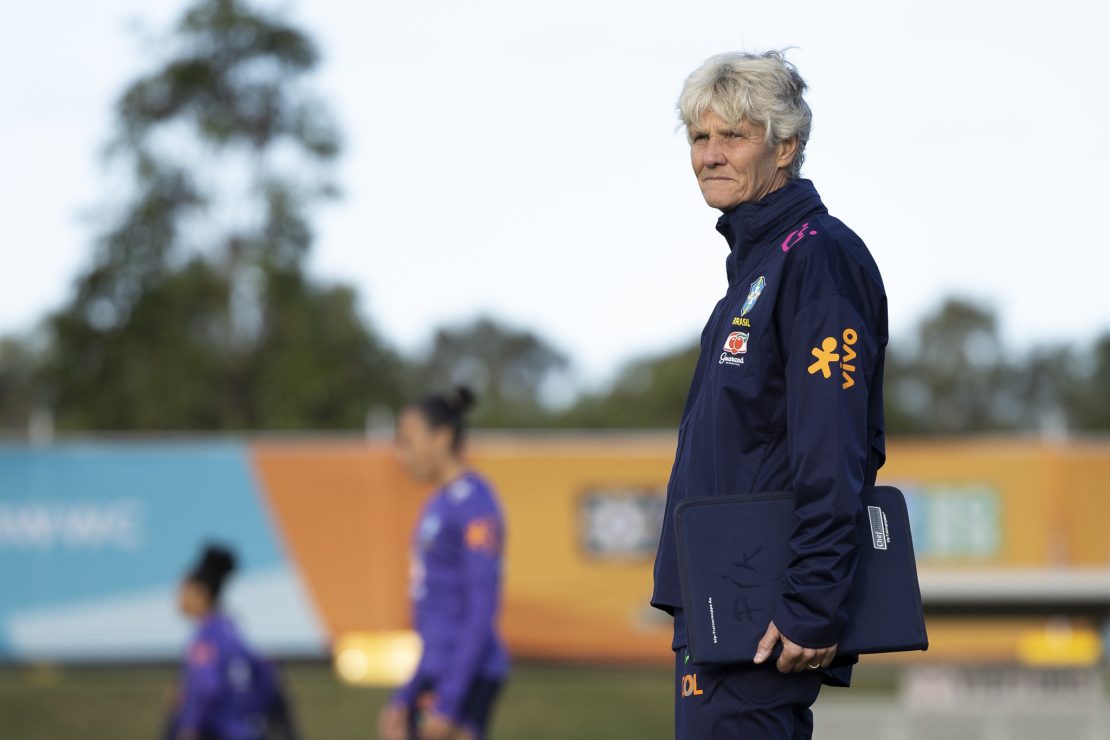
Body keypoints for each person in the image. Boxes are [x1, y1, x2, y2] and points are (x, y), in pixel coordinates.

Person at [651, 50, 888, 739]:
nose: (711, 155)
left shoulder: (817, 258)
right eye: (700, 137)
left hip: (765, 611)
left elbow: (834, 447)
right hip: (717, 601)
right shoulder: (756, 268)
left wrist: (813, 601)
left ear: (785, 147)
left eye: (735, 136)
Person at [378, 387, 509, 740]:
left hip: (466, 675)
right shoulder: (436, 504)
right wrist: (406, 695)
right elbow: (435, 625)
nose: (399, 453)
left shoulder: (475, 503)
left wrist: (449, 702)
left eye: (406, 441)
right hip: (437, 671)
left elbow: (482, 607)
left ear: (442, 438)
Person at [166, 545, 299, 740]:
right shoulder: (231, 631)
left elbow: (207, 687)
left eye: (183, 591)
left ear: (201, 593)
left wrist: (190, 727)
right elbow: (267, 678)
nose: (178, 599)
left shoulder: (205, 640)